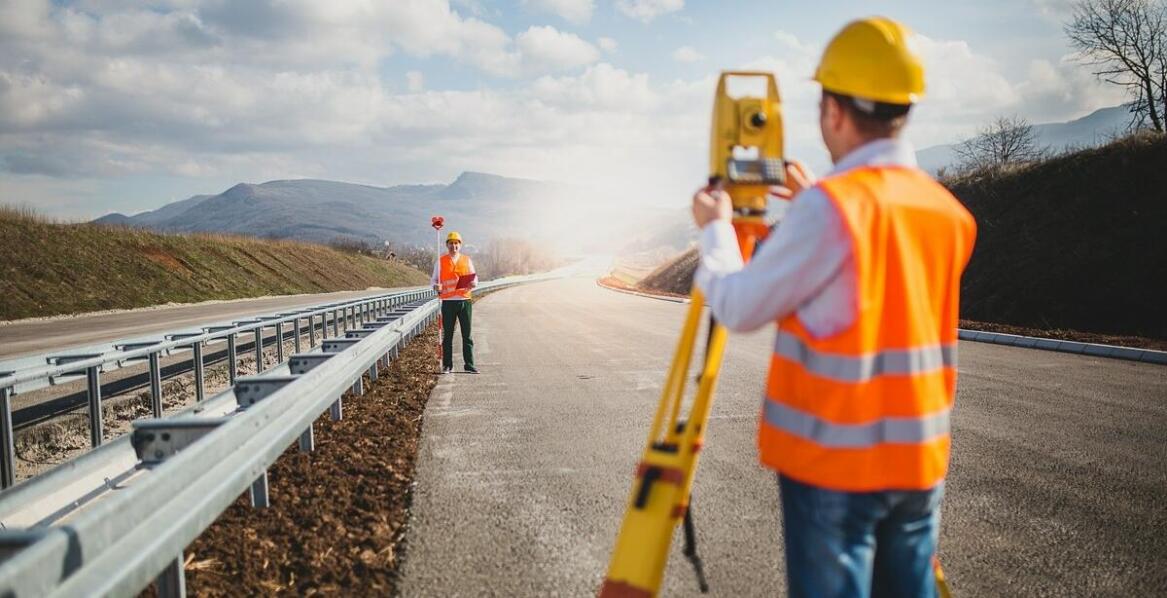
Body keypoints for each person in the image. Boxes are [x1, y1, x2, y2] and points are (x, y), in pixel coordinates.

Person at [690, 17, 977, 598]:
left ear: (833, 112)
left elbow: (740, 307)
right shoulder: (945, 211)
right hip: (919, 463)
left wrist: (718, 231)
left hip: (837, 468)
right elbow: (876, 259)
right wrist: (819, 196)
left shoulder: (830, 210)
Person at [431, 231, 479, 374]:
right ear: (447, 245)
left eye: (456, 243)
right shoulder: (441, 261)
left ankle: (469, 365)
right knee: (448, 336)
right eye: (451, 243)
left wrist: (473, 284)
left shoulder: (467, 260)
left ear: (460, 245)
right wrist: (436, 286)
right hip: (448, 302)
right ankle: (447, 365)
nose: (454, 246)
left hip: (465, 300)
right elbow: (433, 280)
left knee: (467, 335)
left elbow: (475, 278)